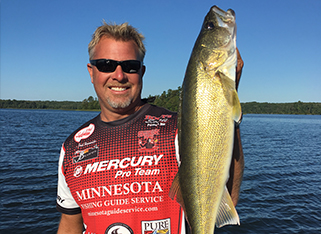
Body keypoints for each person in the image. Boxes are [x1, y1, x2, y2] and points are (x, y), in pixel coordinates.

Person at [56, 22, 244, 234]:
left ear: (142, 71)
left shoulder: (177, 129)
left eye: (130, 66)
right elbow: (70, 223)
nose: (119, 75)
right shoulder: (72, 147)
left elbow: (227, 194)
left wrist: (224, 102)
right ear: (91, 72)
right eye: (106, 64)